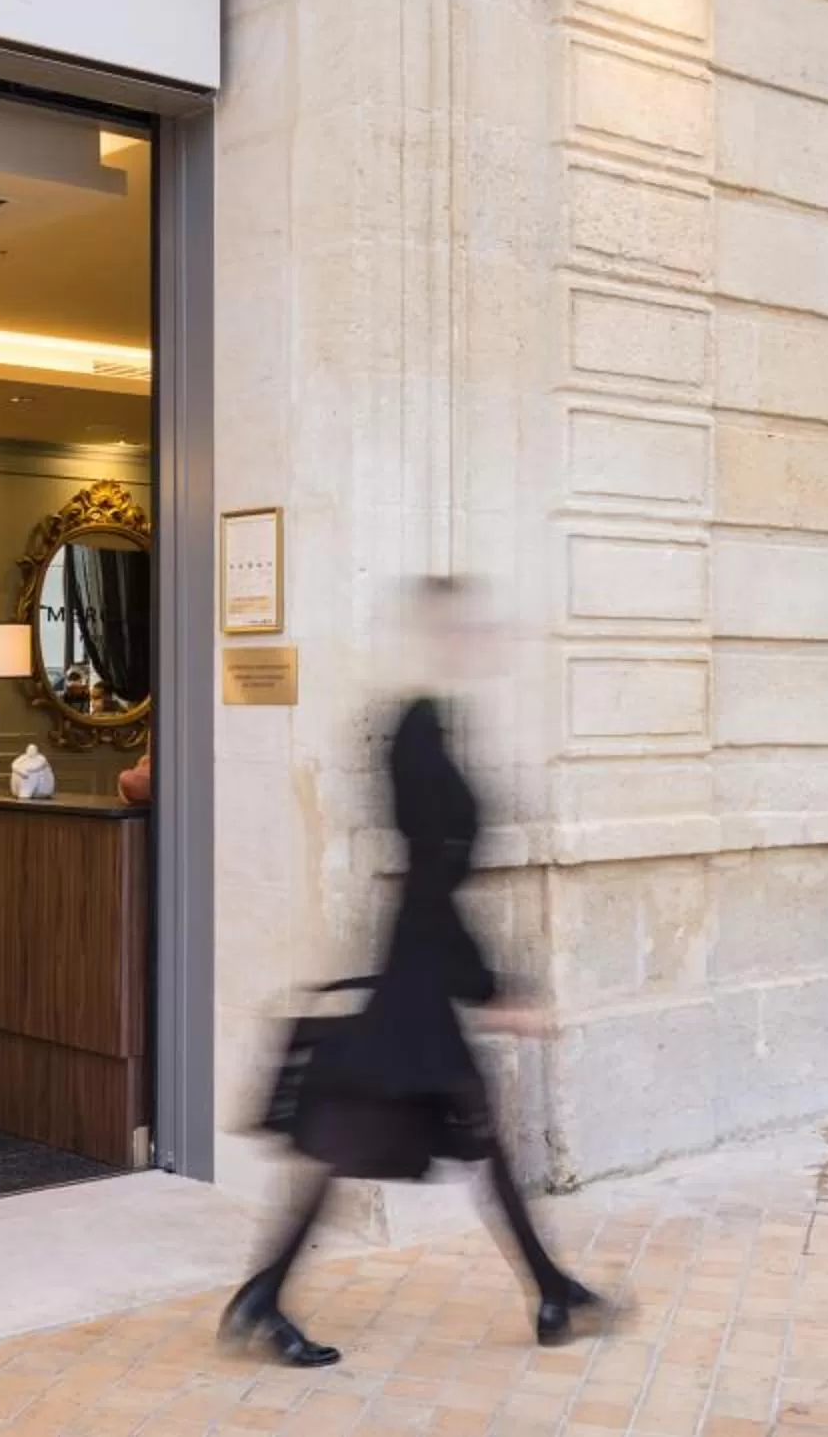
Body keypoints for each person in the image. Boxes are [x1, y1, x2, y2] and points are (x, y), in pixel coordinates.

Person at [222, 577, 602, 1366]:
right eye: (469, 628)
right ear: (441, 635)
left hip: (420, 972)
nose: (484, 642)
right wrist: (495, 988)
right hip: (418, 978)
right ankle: (268, 1296)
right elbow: (432, 879)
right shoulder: (417, 731)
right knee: (353, 1145)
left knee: (443, 1141)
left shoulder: (433, 723)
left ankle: (549, 1288)